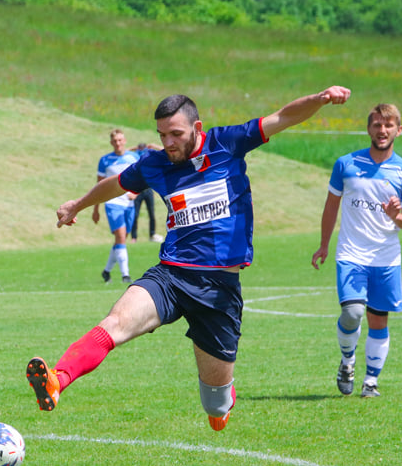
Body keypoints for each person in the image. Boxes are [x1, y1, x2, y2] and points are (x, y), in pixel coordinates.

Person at [27, 86, 351, 431]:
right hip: (171, 275)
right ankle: (58, 379)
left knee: (215, 405)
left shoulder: (227, 143)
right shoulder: (155, 164)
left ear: (198, 128)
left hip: (219, 289)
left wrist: (320, 99)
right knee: (117, 322)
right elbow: (117, 184)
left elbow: (283, 117)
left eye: (176, 134)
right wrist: (78, 204)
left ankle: (223, 402)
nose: (168, 143)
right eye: (162, 135)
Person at [311, 103, 402, 398]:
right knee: (353, 311)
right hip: (351, 253)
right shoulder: (345, 164)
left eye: (388, 125)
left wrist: (395, 214)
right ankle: (347, 362)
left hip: (386, 257)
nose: (382, 130)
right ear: (368, 128)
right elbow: (331, 206)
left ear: (398, 129)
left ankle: (370, 382)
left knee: (378, 320)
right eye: (376, 124)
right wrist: (323, 244)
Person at [93, 129, 140, 284]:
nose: (118, 143)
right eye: (115, 141)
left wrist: (136, 193)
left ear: (125, 141)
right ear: (111, 143)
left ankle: (106, 272)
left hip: (129, 203)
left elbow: (143, 179)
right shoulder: (105, 160)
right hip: (113, 203)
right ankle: (125, 275)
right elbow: (99, 186)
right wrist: (96, 209)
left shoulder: (134, 157)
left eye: (120, 140)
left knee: (121, 240)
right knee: (120, 236)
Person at [130, 143, 165, 244]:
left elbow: (163, 150)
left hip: (148, 189)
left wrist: (154, 146)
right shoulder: (136, 154)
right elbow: (125, 150)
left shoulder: (150, 154)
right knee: (135, 214)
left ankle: (152, 234)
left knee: (151, 213)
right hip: (138, 190)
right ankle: (134, 237)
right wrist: (134, 147)